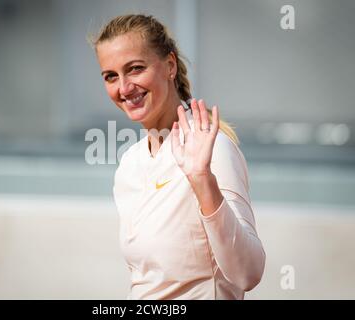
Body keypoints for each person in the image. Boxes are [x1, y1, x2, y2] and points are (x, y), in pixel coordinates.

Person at [91, 14, 265, 300]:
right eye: (111, 76)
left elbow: (248, 273)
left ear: (169, 66)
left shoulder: (212, 150)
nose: (123, 88)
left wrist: (202, 179)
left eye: (135, 69)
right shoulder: (130, 164)